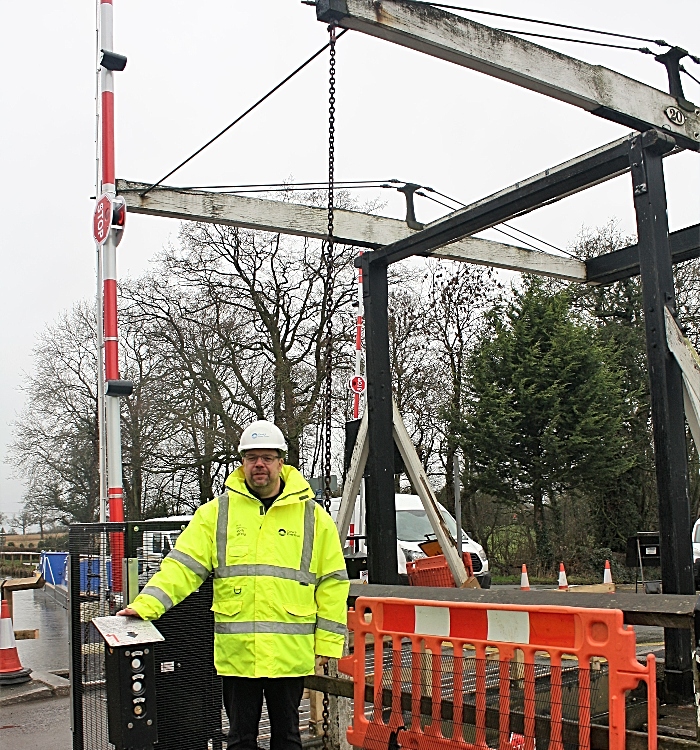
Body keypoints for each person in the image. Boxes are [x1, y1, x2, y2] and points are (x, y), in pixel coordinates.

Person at [118, 420, 349, 750]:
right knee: (240, 739)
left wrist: (327, 645)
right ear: (242, 462)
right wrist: (145, 606)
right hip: (239, 654)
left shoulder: (313, 517)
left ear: (281, 461)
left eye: (267, 457)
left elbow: (332, 583)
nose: (259, 465)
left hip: (289, 656)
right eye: (251, 457)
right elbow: (182, 566)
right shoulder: (217, 514)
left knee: (287, 738)